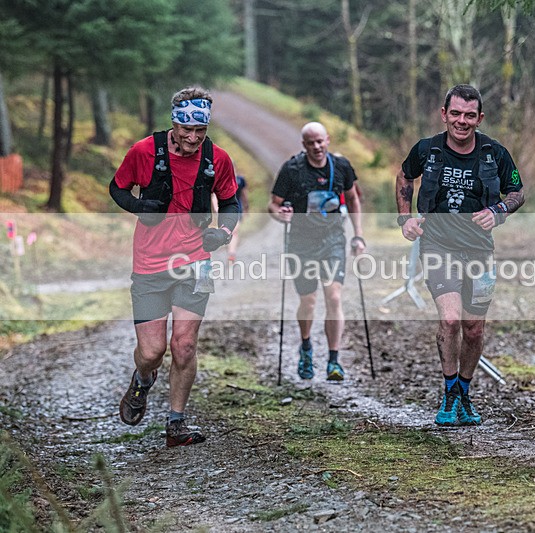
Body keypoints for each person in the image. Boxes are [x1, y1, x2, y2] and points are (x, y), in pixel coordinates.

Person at [109, 86, 239, 447]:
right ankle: (142, 379)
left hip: (196, 262)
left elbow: (231, 203)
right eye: (187, 131)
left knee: (184, 345)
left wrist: (224, 233)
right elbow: (117, 188)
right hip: (150, 263)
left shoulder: (218, 159)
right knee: (152, 352)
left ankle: (176, 424)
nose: (194, 138)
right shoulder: (144, 151)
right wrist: (139, 207)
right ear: (175, 124)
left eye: (201, 131)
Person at [395, 84, 524, 426]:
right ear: (444, 114)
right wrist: (405, 218)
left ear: (479, 118)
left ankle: (464, 393)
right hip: (438, 246)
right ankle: (450, 392)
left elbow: (517, 191)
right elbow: (405, 176)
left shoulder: (494, 153)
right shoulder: (427, 149)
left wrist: (498, 210)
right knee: (450, 320)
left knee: (474, 329)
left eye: (469, 115)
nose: (462, 121)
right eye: (455, 114)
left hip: (480, 250)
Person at [269, 122, 365, 381]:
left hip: (332, 239)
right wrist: (283, 216)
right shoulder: (292, 170)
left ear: (328, 140)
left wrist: (358, 236)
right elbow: (274, 205)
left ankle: (334, 360)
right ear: (304, 145)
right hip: (301, 242)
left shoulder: (341, 166)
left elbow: (353, 198)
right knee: (308, 301)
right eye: (311, 143)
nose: (316, 147)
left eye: (320, 141)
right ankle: (307, 347)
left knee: (334, 297)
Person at [227, 174, 249, 264]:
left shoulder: (240, 179)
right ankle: (231, 251)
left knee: (234, 231)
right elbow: (215, 194)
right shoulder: (221, 178)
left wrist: (246, 207)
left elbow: (244, 195)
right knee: (229, 231)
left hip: (237, 209)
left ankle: (231, 253)